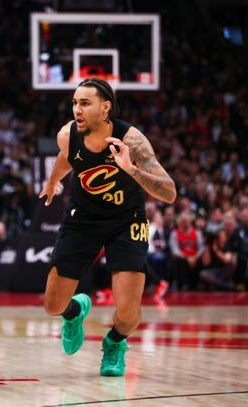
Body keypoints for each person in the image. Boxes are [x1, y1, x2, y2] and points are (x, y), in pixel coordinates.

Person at [39, 78, 176, 377]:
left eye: (85, 103)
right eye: (75, 103)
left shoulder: (132, 141)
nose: (77, 109)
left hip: (126, 220)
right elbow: (66, 158)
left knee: (128, 314)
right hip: (83, 218)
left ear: (105, 108)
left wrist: (130, 169)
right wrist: (53, 181)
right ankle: (74, 313)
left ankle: (114, 342)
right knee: (52, 305)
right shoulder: (67, 135)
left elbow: (169, 192)